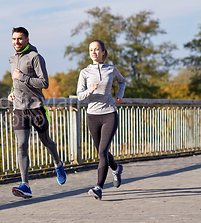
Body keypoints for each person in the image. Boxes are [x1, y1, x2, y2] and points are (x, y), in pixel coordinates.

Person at [8, 27, 66, 199]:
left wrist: (22, 77)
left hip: (36, 107)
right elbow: (16, 81)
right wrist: (12, 92)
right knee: (21, 145)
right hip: (19, 108)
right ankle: (25, 185)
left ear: (27, 39)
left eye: (19, 39)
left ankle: (58, 163)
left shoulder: (35, 57)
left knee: (46, 140)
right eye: (13, 39)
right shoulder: (12, 59)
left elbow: (44, 83)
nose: (16, 42)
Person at [77, 39, 126, 200]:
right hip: (92, 116)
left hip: (109, 114)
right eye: (91, 49)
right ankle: (116, 168)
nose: (93, 52)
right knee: (101, 151)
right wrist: (89, 91)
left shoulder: (111, 69)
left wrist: (119, 95)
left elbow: (122, 81)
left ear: (103, 52)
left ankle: (99, 187)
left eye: (97, 49)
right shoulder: (84, 72)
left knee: (103, 151)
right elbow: (79, 96)